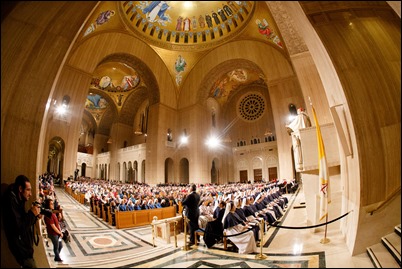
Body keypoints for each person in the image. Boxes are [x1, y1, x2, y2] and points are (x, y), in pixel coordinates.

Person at [2, 175, 43, 268]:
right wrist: (32, 214)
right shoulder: (10, 201)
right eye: (28, 190)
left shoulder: (19, 198)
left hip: (25, 248)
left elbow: (23, 219)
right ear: (20, 189)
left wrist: (34, 217)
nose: (30, 194)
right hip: (21, 250)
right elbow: (18, 228)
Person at [43, 198, 64, 262]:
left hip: (57, 232)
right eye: (51, 204)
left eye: (53, 204)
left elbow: (57, 222)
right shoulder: (48, 214)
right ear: (47, 205)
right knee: (56, 246)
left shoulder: (51, 212)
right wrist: (59, 233)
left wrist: (60, 231)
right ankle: (57, 258)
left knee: (60, 245)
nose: (53, 205)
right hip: (53, 233)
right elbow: (53, 226)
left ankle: (57, 256)